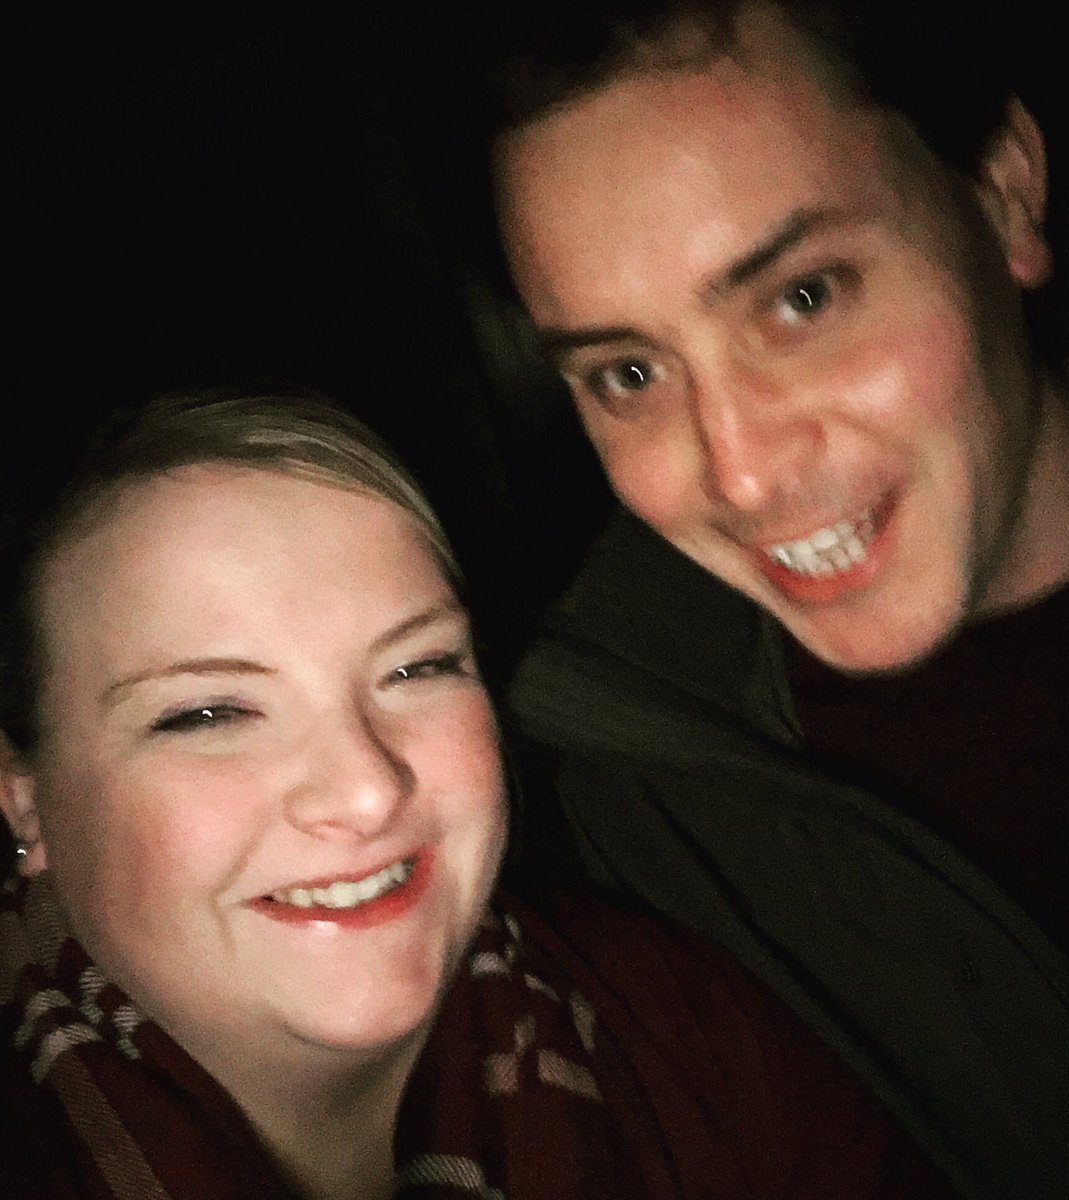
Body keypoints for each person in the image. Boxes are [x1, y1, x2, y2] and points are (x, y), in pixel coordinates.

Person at [470, 0, 1069, 1195]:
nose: (741, 473)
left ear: (1003, 194)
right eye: (630, 373)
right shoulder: (639, 813)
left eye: (802, 299)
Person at [0, 391, 958, 1199]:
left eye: (417, 667)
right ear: (24, 800)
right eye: (209, 714)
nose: (367, 789)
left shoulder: (688, 1026)